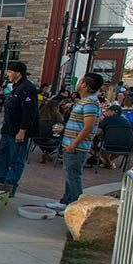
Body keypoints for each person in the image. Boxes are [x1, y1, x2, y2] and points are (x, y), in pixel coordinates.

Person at [46, 73, 102, 212]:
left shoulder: (90, 103)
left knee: (73, 177)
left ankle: (76, 209)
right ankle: (66, 201)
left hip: (76, 147)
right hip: (70, 144)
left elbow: (88, 127)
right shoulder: (84, 101)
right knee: (69, 175)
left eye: (80, 80)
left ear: (84, 84)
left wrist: (74, 144)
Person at [0, 61, 38, 197]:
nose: (8, 74)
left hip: (18, 132)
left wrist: (22, 130)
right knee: (2, 157)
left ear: (18, 73)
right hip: (7, 130)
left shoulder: (27, 88)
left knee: (16, 160)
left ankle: (9, 187)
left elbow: (29, 112)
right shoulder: (15, 88)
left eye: (10, 72)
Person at [95, 104, 132, 168]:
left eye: (108, 110)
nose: (106, 112)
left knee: (99, 146)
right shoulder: (126, 121)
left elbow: (98, 132)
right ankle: (107, 162)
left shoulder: (108, 119)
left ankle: (108, 162)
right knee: (118, 146)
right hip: (127, 147)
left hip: (108, 145)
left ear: (113, 112)